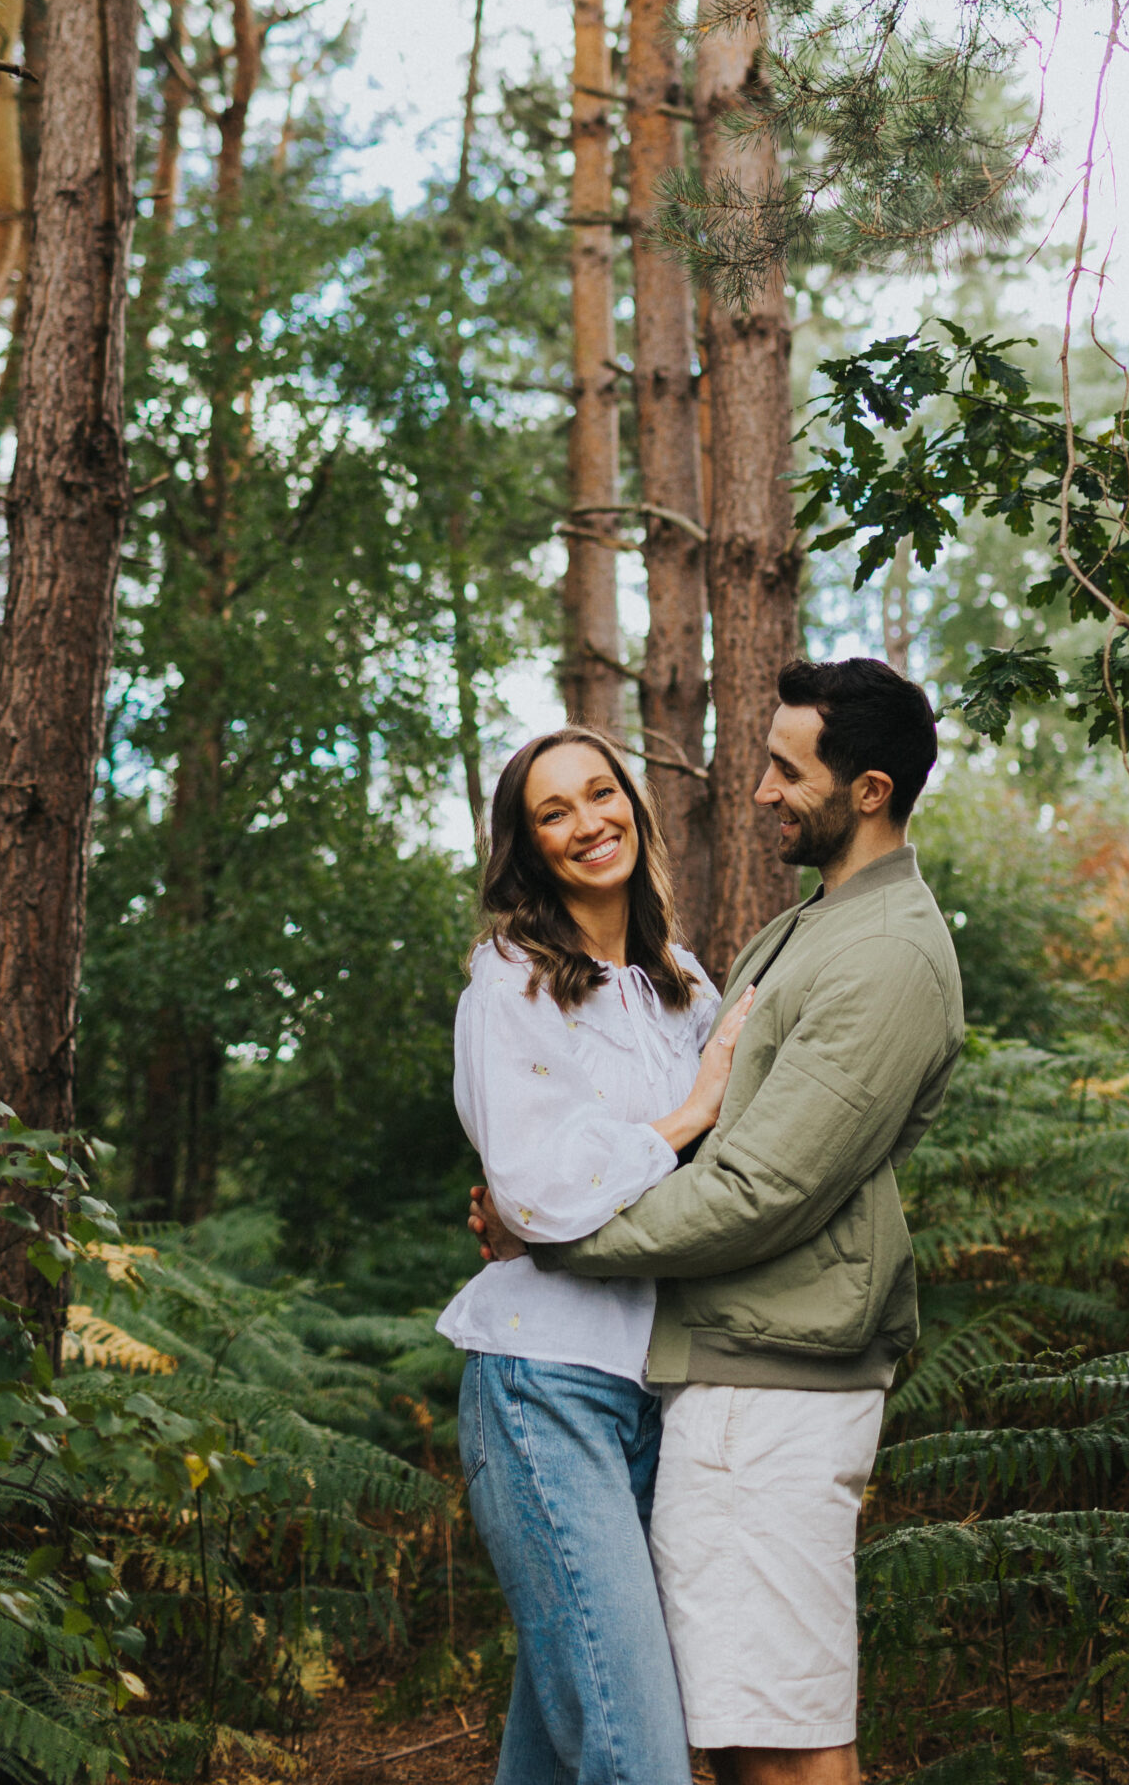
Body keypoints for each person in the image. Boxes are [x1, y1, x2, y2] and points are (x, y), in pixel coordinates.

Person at [472, 658, 964, 1785]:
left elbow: (762, 1189)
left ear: (871, 788)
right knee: (689, 1730)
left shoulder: (878, 952)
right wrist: (534, 1196)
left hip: (772, 1385)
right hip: (691, 1373)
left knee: (767, 1737)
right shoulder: (800, 931)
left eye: (787, 770)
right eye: (553, 809)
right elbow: (673, 1138)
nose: (760, 791)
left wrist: (554, 1234)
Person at [437, 726, 755, 1785]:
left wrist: (571, 1193)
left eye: (600, 792)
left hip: (657, 1392)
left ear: (635, 801)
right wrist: (682, 1117)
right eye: (553, 812)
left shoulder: (685, 989)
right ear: (526, 847)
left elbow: (715, 1182)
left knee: (561, 1735)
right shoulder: (511, 980)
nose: (588, 822)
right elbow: (531, 1191)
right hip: (542, 1387)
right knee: (640, 1753)